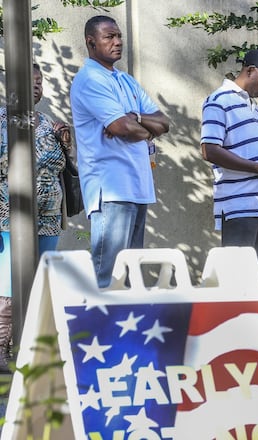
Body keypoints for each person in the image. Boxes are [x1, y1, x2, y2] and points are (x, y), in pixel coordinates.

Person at [70, 15, 170, 288]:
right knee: (108, 275)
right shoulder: (90, 79)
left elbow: (163, 123)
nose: (118, 42)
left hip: (137, 186)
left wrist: (135, 118)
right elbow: (121, 127)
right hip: (111, 189)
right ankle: (97, 331)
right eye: (109, 37)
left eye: (119, 36)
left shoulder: (126, 81)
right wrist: (138, 126)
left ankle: (122, 331)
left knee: (129, 277)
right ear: (91, 42)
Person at [0, 63, 71, 371]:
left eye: (41, 82)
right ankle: (2, 348)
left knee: (41, 283)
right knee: (7, 286)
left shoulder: (50, 123)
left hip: (49, 218)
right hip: (8, 219)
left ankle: (31, 349)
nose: (38, 87)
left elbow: (66, 169)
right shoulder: (2, 121)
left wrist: (66, 143)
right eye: (32, 82)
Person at [200, 49, 258, 288]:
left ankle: (255, 325)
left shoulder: (252, 105)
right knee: (235, 278)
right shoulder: (218, 101)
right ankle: (231, 325)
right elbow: (209, 150)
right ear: (249, 70)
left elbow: (247, 150)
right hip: (240, 205)